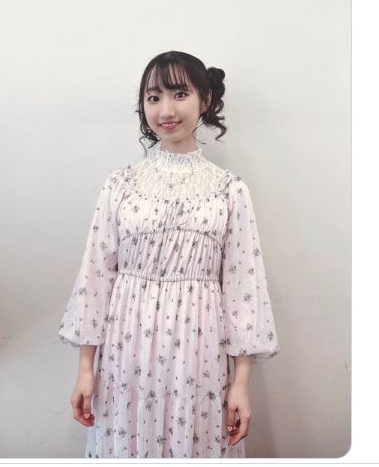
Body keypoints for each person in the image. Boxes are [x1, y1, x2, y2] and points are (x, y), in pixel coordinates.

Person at [58, 51, 279, 458]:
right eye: (153, 97)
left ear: (205, 100)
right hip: (125, 353)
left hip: (199, 355)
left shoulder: (229, 190)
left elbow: (244, 289)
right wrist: (86, 370)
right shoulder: (121, 185)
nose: (166, 110)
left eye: (180, 94)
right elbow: (95, 275)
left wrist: (241, 383)